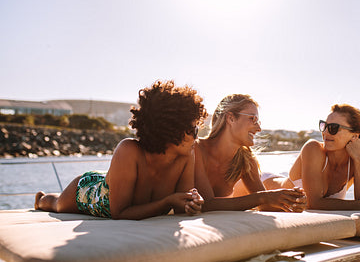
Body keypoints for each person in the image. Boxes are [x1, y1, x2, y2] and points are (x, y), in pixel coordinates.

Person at [35, 80, 207, 219]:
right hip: (91, 191)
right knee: (57, 204)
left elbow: (181, 209)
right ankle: (40, 199)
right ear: (169, 130)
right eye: (192, 130)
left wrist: (191, 204)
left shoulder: (187, 154)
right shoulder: (129, 150)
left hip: (118, 178)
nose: (196, 137)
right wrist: (167, 202)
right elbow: (120, 213)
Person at [263, 104, 360, 210]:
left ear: (354, 136)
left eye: (333, 128)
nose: (326, 132)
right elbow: (313, 203)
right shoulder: (313, 149)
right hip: (261, 186)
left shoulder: (358, 161)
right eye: (324, 126)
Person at [194, 94, 306, 212]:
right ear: (230, 118)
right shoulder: (197, 149)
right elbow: (206, 204)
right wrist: (262, 197)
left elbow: (265, 205)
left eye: (258, 121)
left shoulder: (245, 159)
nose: (258, 128)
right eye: (253, 119)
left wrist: (291, 203)